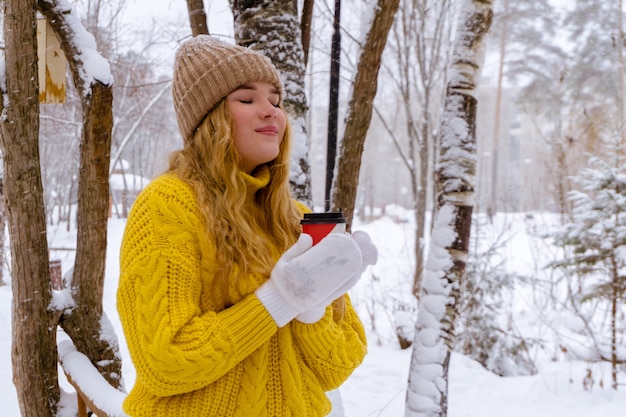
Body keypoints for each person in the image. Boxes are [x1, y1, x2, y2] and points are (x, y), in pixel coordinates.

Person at [116, 35, 378, 417]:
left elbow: (338, 366)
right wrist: (279, 300)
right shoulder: (167, 206)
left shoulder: (296, 219)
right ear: (209, 121)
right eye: (246, 98)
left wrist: (312, 308)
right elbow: (164, 360)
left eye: (275, 99)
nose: (270, 110)